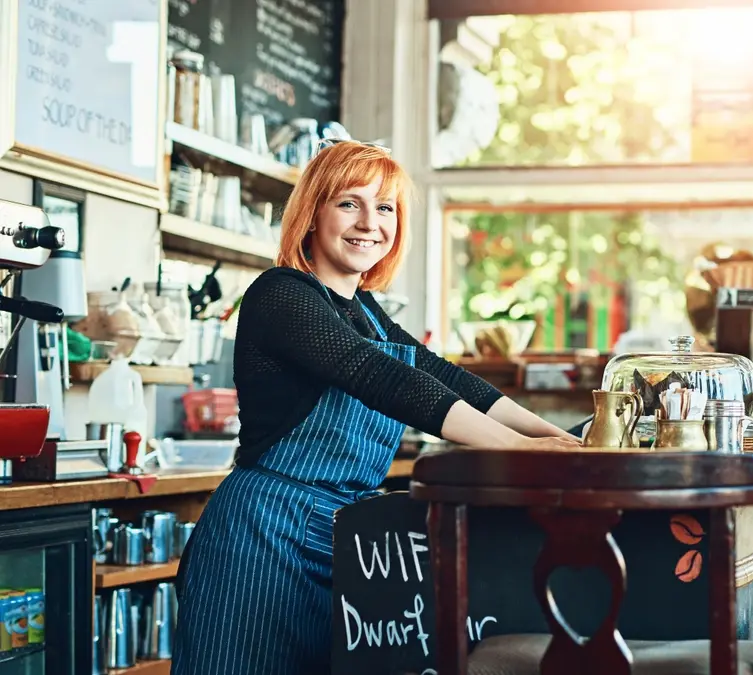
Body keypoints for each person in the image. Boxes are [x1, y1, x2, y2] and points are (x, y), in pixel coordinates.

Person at [171, 140, 580, 675]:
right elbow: (379, 377)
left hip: (343, 536)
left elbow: (443, 377)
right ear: (312, 212)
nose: (370, 222)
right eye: (349, 203)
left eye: (384, 207)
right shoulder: (279, 293)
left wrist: (562, 440)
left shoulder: (364, 310)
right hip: (262, 537)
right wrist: (523, 451)